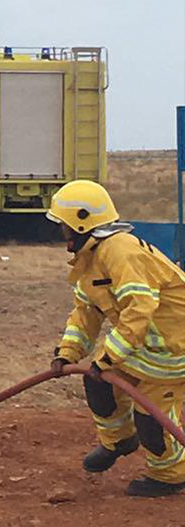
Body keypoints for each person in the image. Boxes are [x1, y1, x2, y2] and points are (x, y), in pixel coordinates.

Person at [47, 180, 185, 497]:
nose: (61, 232)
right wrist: (68, 352)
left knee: (151, 419)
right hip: (145, 345)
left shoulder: (120, 252)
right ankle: (119, 441)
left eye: (64, 225)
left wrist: (108, 358)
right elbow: (86, 312)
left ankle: (170, 475)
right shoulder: (90, 258)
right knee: (98, 384)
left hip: (176, 348)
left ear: (81, 222)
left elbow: (140, 308)